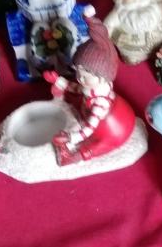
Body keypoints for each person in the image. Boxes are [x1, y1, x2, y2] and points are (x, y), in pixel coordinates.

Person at [44, 10, 135, 166]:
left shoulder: (100, 103)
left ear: (102, 77)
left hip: (112, 130)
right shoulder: (89, 88)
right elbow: (75, 88)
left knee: (97, 146)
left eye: (85, 76)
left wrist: (70, 137)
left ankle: (72, 158)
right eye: (78, 72)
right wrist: (58, 80)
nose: (80, 78)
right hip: (98, 114)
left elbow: (89, 128)